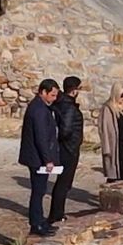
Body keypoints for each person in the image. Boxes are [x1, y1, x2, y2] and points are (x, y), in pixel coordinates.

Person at [16, 79, 62, 237]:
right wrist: (48, 159)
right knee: (38, 191)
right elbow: (41, 137)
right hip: (37, 159)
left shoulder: (40, 107)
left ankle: (40, 221)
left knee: (40, 190)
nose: (54, 99)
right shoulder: (39, 110)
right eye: (52, 95)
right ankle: (36, 224)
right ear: (43, 92)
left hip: (36, 157)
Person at [49, 76, 85, 224]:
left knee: (62, 183)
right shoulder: (69, 107)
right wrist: (72, 142)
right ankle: (57, 214)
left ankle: (57, 212)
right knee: (64, 183)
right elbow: (66, 130)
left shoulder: (63, 103)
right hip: (69, 149)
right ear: (74, 90)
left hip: (67, 148)